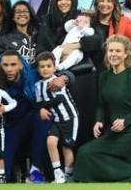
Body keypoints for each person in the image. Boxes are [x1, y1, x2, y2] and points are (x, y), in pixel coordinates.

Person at [74, 36, 131, 182]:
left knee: (91, 155)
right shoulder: (104, 76)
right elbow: (100, 105)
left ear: (125, 54)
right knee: (85, 152)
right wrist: (98, 121)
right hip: (111, 132)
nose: (113, 54)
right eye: (110, 51)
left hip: (129, 134)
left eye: (118, 51)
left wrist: (125, 121)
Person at [35, 52, 80, 184]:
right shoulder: (38, 85)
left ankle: (69, 176)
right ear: (38, 69)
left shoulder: (58, 80)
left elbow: (58, 98)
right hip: (56, 120)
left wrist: (44, 106)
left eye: (48, 66)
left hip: (69, 117)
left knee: (67, 147)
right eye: (42, 66)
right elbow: (38, 102)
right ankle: (58, 173)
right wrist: (41, 108)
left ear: (55, 67)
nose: (45, 69)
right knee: (51, 142)